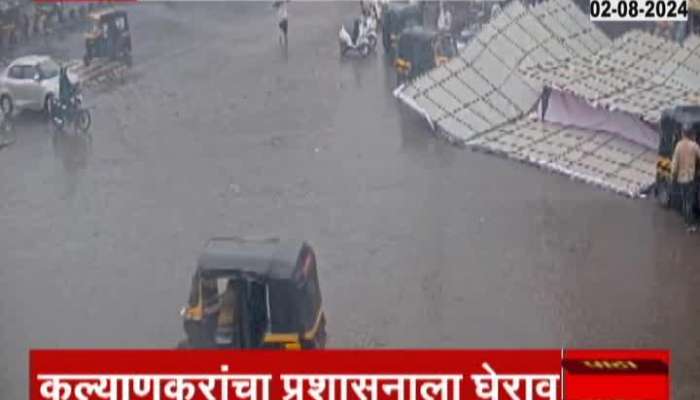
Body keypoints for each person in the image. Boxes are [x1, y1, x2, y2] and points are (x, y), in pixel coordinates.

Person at [671, 126, 700, 232]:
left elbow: (674, 163)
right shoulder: (694, 146)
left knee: (684, 201)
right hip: (690, 178)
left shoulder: (678, 146)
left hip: (681, 178)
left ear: (683, 134)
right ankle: (690, 225)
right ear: (691, 134)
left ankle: (687, 221)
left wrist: (673, 176)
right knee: (689, 201)